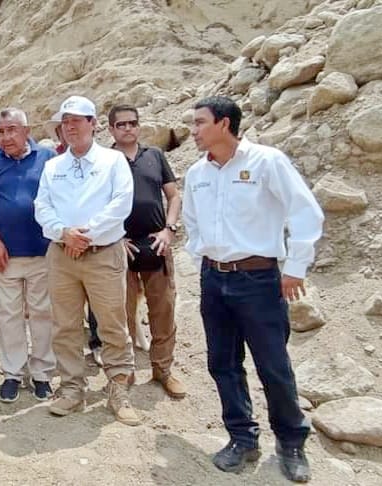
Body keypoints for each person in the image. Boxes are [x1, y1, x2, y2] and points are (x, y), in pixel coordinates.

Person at [182, 96, 322, 483]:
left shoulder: (267, 161)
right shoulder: (197, 173)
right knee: (222, 363)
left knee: (273, 365)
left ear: (224, 124)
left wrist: (294, 268)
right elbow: (192, 225)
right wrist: (204, 264)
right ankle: (242, 438)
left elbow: (306, 212)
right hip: (214, 279)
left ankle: (291, 443)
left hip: (259, 281)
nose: (193, 131)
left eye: (200, 122)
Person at [34, 95, 140, 426]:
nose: (70, 127)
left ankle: (118, 387)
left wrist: (85, 235)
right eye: (65, 122)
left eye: (77, 120)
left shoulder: (113, 161)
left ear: (93, 124)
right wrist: (63, 233)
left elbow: (121, 204)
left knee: (111, 323)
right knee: (65, 325)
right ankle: (71, 389)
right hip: (62, 254)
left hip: (102, 254)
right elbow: (42, 207)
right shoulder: (53, 166)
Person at [0, 108, 57, 403]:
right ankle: (12, 372)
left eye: (11, 129)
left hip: (43, 251)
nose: (5, 136)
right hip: (5, 254)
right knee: (8, 315)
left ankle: (42, 373)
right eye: (0, 131)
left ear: (26, 130)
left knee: (42, 314)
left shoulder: (47, 158)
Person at [107, 104, 185, 399]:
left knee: (163, 309)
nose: (128, 128)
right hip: (119, 246)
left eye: (133, 123)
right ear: (111, 129)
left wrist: (169, 229)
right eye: (121, 124)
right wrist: (113, 237)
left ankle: (162, 369)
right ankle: (124, 370)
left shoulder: (154, 156)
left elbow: (173, 195)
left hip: (156, 243)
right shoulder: (104, 160)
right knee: (121, 312)